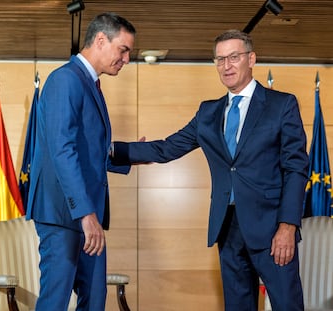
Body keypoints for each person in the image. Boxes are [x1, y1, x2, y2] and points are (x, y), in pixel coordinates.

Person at [112, 29, 308, 311]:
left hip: (272, 228)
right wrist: (109, 151)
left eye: (233, 57)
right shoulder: (208, 112)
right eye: (219, 59)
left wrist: (288, 226)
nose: (226, 66)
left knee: (287, 305)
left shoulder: (281, 105)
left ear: (251, 59)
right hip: (226, 227)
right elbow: (166, 148)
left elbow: (296, 168)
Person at [25, 12, 135, 311]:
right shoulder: (65, 80)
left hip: (87, 215)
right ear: (101, 40)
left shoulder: (90, 84)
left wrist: (132, 157)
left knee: (94, 299)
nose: (126, 59)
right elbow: (61, 149)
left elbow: (89, 149)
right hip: (65, 215)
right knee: (55, 301)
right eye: (123, 50)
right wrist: (86, 215)